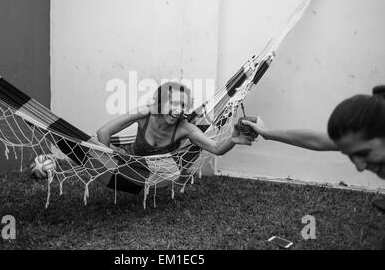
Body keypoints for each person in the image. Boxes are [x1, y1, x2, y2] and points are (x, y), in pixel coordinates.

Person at [242, 85, 385, 211]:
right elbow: (316, 140)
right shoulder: (361, 141)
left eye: (364, 153)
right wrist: (267, 132)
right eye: (350, 155)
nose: (359, 167)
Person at [96, 81, 256, 193]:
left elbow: (216, 148)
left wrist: (233, 139)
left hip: (157, 170)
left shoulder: (185, 128)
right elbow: (103, 133)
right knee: (98, 144)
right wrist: (108, 167)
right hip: (127, 160)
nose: (178, 110)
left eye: (183, 105)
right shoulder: (144, 114)